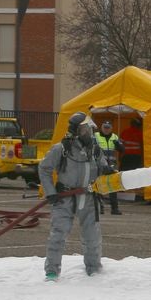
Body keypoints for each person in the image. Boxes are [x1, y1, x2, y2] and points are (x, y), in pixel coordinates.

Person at [39, 112, 111, 280]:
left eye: (90, 130)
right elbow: (44, 168)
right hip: (65, 197)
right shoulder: (62, 149)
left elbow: (102, 167)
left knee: (92, 236)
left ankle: (93, 270)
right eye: (86, 130)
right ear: (77, 131)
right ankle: (51, 271)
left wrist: (106, 170)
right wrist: (50, 192)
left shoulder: (94, 149)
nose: (90, 133)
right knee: (58, 235)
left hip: (88, 198)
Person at [95, 119, 123, 215]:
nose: (106, 130)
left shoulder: (115, 137)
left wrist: (118, 144)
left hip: (112, 165)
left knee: (113, 186)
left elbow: (122, 150)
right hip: (100, 165)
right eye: (104, 128)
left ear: (111, 128)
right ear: (101, 128)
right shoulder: (96, 136)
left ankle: (114, 208)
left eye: (108, 128)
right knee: (99, 186)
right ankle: (100, 207)